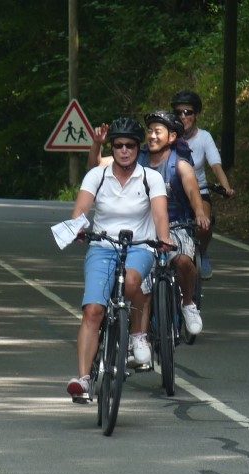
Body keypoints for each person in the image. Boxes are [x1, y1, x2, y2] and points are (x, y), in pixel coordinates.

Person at [66, 117, 172, 401]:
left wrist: (164, 239)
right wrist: (78, 228)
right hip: (102, 246)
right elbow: (81, 210)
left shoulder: (151, 178)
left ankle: (137, 335)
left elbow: (160, 214)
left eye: (130, 146)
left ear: (139, 149)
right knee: (92, 311)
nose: (124, 150)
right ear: (112, 147)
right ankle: (84, 379)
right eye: (119, 145)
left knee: (132, 282)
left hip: (140, 246)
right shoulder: (98, 176)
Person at [88, 111, 211, 339]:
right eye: (150, 131)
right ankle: (138, 337)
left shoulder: (179, 165)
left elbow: (194, 191)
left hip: (175, 225)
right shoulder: (136, 157)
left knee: (183, 260)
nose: (152, 136)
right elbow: (97, 165)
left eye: (158, 131)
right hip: (142, 229)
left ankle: (188, 303)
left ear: (172, 137)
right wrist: (97, 145)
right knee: (140, 281)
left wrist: (200, 212)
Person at [171, 90, 235, 280]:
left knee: (204, 225)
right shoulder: (169, 136)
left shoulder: (204, 137)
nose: (184, 116)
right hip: (173, 191)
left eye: (188, 112)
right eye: (179, 112)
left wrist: (226, 187)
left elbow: (215, 165)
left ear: (196, 114)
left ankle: (202, 252)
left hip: (199, 189)